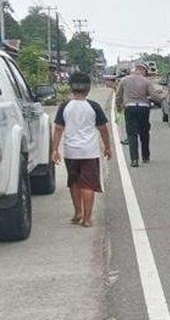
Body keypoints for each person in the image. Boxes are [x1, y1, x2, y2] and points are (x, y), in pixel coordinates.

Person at [52, 72, 112, 228]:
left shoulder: (64, 106)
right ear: (88, 89)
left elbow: (58, 129)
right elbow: (103, 129)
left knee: (74, 182)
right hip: (89, 151)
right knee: (88, 184)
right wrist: (107, 147)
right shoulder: (93, 106)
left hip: (70, 151)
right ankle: (87, 218)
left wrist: (55, 150)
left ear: (71, 87)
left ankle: (78, 213)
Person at [116, 63, 158, 167]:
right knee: (144, 132)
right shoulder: (147, 81)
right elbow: (153, 95)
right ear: (143, 70)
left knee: (131, 134)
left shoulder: (124, 80)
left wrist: (119, 107)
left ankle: (134, 160)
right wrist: (162, 98)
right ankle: (145, 156)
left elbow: (118, 96)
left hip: (129, 107)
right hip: (143, 108)